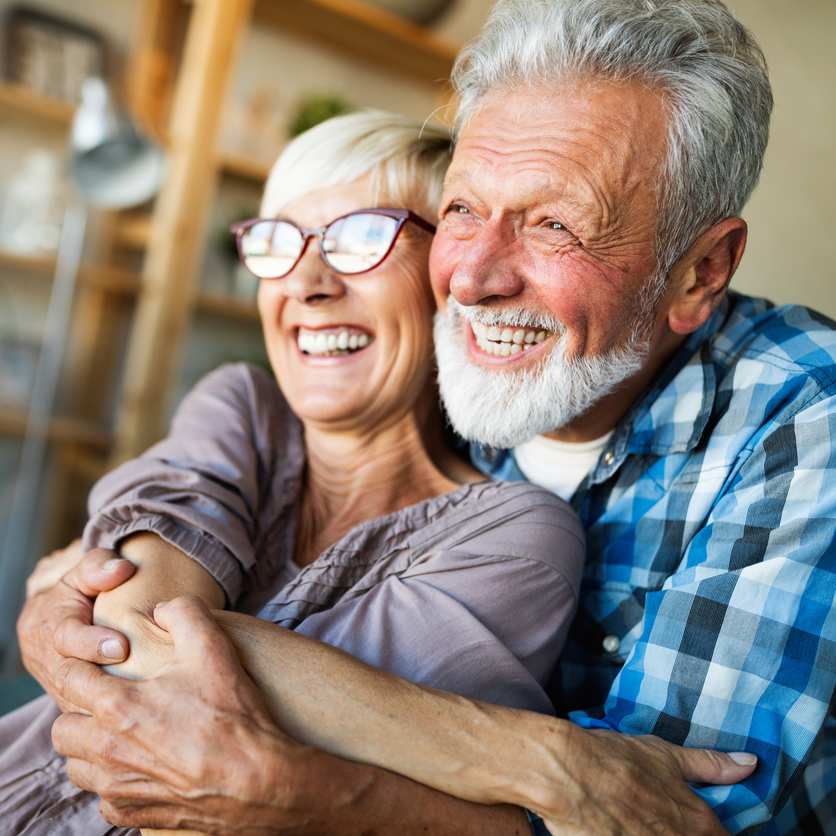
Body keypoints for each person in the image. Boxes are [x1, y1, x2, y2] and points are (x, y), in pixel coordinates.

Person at [15, 0, 832, 833]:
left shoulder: (807, 420)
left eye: (555, 224)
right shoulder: (461, 379)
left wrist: (320, 796)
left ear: (699, 271)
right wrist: (541, 758)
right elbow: (139, 584)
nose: (472, 279)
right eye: (467, 211)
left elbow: (675, 818)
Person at [0, 110, 588, 834]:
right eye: (279, 241)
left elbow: (234, 743)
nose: (307, 283)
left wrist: (75, 586)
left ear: (452, 277)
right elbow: (128, 633)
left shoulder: (517, 535)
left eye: (362, 238)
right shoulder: (242, 406)